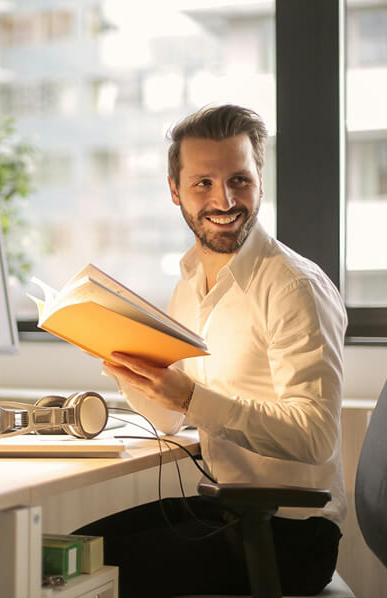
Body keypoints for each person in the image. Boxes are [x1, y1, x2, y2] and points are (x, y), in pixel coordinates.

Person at [75, 104, 347, 597]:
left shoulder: (293, 286)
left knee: (78, 576)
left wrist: (189, 397)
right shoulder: (190, 282)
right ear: (174, 191)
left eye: (239, 180)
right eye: (203, 183)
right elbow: (169, 421)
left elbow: (316, 437)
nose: (224, 199)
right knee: (70, 551)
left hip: (290, 535)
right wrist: (127, 368)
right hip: (227, 510)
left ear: (260, 181)